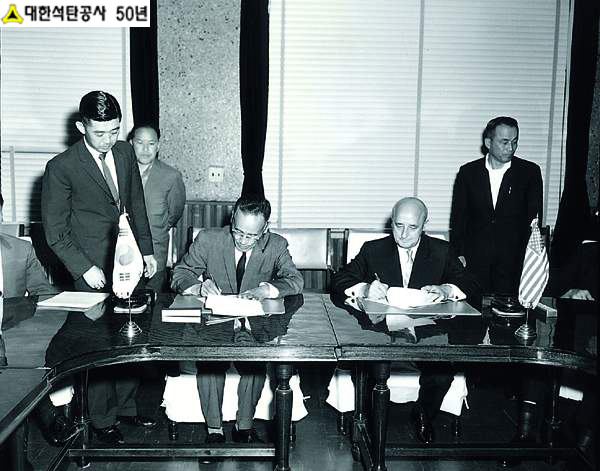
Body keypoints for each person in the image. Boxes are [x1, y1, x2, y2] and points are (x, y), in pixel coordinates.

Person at [41, 91, 157, 445]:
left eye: (114, 131)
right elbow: (55, 231)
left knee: (131, 337)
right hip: (90, 269)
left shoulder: (124, 152)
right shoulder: (61, 167)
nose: (108, 140)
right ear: (81, 127)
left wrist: (147, 251)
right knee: (100, 347)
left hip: (129, 261)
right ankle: (102, 420)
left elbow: (135, 204)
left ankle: (126, 406)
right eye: (100, 133)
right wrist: (84, 268)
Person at [332, 197, 479, 444]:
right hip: (381, 334)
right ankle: (370, 421)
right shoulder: (373, 250)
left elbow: (470, 283)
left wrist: (446, 289)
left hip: (428, 333)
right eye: (398, 225)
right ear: (391, 222)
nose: (403, 234)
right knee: (368, 366)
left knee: (442, 372)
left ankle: (424, 415)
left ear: (424, 225)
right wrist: (365, 288)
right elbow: (339, 280)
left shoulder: (441, 250)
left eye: (413, 227)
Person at [171, 195, 303, 443]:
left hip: (254, 324)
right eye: (238, 232)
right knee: (210, 363)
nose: (242, 240)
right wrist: (198, 287)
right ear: (231, 219)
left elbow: (295, 280)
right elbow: (180, 273)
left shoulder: (276, 245)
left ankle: (244, 427)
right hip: (214, 322)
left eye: (251, 236)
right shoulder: (209, 239)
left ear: (265, 229)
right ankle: (214, 430)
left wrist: (267, 289)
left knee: (255, 363)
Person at [450, 116, 543, 296]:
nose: (511, 148)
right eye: (504, 142)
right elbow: (459, 218)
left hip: (513, 262)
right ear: (488, 143)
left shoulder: (530, 172)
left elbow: (533, 221)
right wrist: (458, 253)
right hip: (475, 261)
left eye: (515, 142)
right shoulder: (468, 172)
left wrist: (530, 259)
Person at [128, 123, 186, 293]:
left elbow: (174, 214)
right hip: (123, 251)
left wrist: (157, 228)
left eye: (151, 143)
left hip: (155, 252)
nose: (146, 149)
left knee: (152, 299)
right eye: (140, 143)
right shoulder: (119, 171)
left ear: (158, 146)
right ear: (131, 143)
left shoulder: (171, 176)